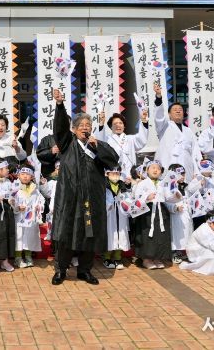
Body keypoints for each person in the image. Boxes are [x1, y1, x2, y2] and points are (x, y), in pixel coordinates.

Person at [50, 88, 119, 286]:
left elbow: (113, 160)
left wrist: (98, 147)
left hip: (92, 197)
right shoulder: (67, 143)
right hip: (70, 198)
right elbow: (60, 128)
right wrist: (60, 105)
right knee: (66, 233)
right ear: (73, 129)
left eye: (88, 125)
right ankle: (61, 270)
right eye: (81, 125)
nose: (85, 128)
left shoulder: (97, 145)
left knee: (89, 233)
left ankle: (84, 270)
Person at [132, 160, 177, 269]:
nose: (156, 170)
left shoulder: (163, 183)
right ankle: (146, 259)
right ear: (147, 170)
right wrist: (147, 197)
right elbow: (136, 197)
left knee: (161, 235)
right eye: (153, 168)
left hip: (161, 211)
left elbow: (168, 197)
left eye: (158, 168)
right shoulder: (142, 183)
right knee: (147, 235)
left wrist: (176, 196)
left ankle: (158, 258)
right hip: (147, 212)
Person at [152, 83, 201, 180]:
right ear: (169, 114)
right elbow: (159, 116)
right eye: (175, 110)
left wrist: (197, 172)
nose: (178, 111)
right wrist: (158, 97)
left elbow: (195, 152)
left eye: (180, 110)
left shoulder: (188, 131)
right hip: (168, 166)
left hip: (186, 169)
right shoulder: (164, 126)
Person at [95, 110, 149, 182]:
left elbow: (142, 140)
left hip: (130, 175)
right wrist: (101, 123)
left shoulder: (131, 139)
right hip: (114, 175)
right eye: (115, 124)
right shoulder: (107, 139)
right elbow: (99, 141)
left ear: (124, 126)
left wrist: (144, 122)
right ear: (111, 127)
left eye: (120, 123)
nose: (118, 125)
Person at [12, 164, 44, 268]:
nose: (25, 176)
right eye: (23, 174)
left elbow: (41, 200)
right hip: (19, 218)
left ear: (32, 176)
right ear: (18, 175)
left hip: (31, 217)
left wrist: (38, 207)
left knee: (29, 237)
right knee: (19, 237)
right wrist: (17, 207)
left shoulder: (35, 189)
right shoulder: (14, 187)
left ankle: (28, 256)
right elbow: (10, 201)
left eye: (28, 174)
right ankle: (18, 258)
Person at [102, 165, 129, 270]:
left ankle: (118, 257)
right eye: (113, 173)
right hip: (109, 214)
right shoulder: (103, 185)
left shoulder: (123, 186)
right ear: (107, 174)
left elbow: (128, 198)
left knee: (121, 234)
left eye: (117, 173)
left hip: (121, 213)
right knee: (110, 235)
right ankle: (107, 257)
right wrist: (108, 204)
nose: (115, 175)